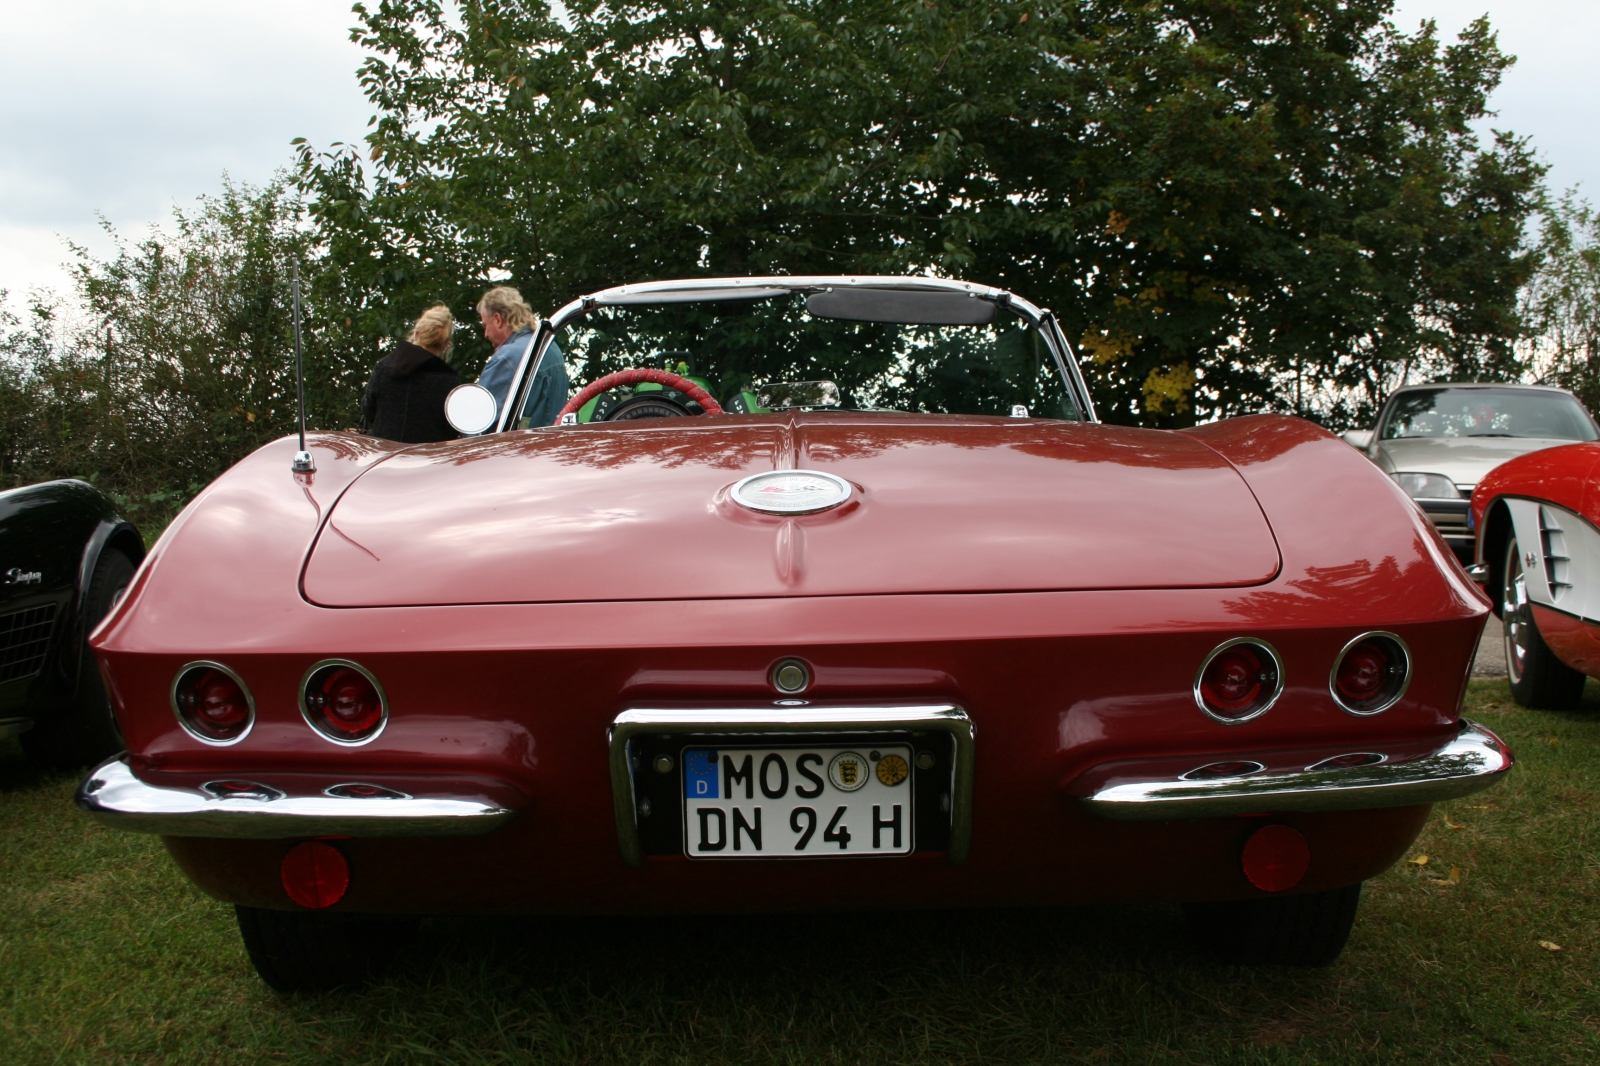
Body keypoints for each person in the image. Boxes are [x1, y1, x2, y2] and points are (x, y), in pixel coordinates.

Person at [360, 305, 461, 443]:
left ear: (416, 333)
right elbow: (452, 430)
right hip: (426, 460)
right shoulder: (449, 380)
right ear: (445, 344)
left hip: (383, 457)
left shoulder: (384, 367)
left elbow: (369, 411)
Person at [476, 285, 568, 429]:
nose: (485, 334)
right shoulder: (551, 348)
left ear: (498, 319)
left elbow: (478, 422)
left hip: (516, 449)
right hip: (552, 447)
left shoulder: (506, 358)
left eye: (485, 325)